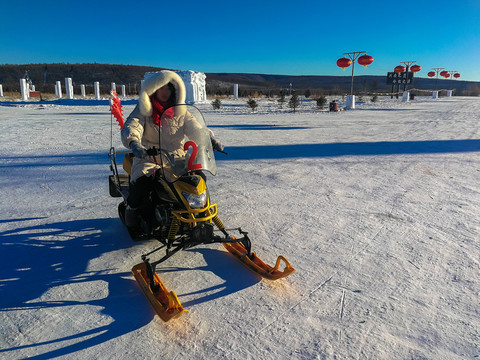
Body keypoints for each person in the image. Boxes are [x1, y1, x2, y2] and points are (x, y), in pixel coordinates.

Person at [121, 70, 223, 227]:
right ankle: (132, 211)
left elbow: (196, 128)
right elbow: (133, 125)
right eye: (161, 88)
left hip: (177, 158)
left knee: (199, 178)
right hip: (150, 156)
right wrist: (134, 142)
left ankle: (199, 214)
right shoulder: (144, 109)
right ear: (154, 89)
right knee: (142, 182)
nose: (165, 92)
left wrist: (209, 139)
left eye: (168, 89)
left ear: (174, 91)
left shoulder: (181, 111)